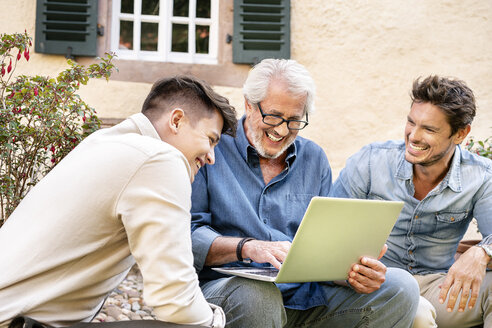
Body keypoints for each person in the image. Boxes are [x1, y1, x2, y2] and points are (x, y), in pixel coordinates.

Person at [190, 58, 420, 328]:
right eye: (274, 116)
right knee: (258, 295)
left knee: (402, 287)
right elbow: (188, 234)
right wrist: (248, 248)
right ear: (248, 105)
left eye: (294, 121)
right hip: (231, 291)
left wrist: (353, 272)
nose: (282, 130)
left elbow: (324, 248)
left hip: (303, 298)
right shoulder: (212, 148)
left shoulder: (314, 159)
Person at [0, 76, 238, 328]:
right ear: (176, 120)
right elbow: (175, 297)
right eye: (211, 140)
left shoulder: (103, 143)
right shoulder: (160, 158)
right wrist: (214, 322)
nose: (212, 157)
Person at [331, 75, 492, 328]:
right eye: (411, 122)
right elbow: (328, 230)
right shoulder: (371, 162)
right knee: (414, 312)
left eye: (429, 129)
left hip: (440, 288)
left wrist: (482, 252)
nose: (413, 136)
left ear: (461, 134)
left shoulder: (481, 176)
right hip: (379, 287)